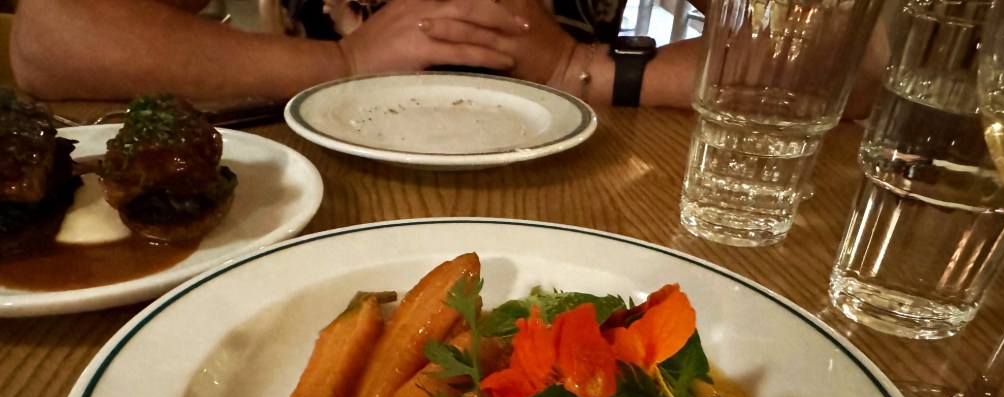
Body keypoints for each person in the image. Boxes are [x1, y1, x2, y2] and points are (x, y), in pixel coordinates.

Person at [8, 0, 883, 111]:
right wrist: (343, 63)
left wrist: (577, 68)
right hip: (312, 162)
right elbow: (55, 38)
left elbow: (859, 54)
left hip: (604, 165)